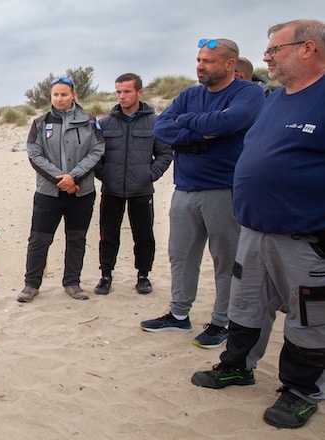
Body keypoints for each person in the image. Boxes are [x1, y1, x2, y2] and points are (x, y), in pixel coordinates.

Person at [191, 19, 325, 429]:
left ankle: (302, 391)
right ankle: (237, 365)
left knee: (308, 318)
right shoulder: (276, 98)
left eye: (274, 50)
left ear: (308, 49)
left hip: (304, 237)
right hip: (253, 230)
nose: (266, 57)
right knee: (246, 305)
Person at [140, 39, 265, 349]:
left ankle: (222, 322)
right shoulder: (189, 95)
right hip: (184, 189)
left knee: (226, 261)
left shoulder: (247, 92)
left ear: (229, 65)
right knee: (180, 256)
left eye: (208, 60)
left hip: (224, 189)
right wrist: (200, 132)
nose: (200, 65)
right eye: (198, 59)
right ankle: (178, 314)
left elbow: (232, 121)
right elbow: (161, 128)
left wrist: (187, 125)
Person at [17, 77, 105, 303]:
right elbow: (34, 154)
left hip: (81, 192)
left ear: (74, 95)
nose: (59, 98)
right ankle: (31, 284)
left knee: (76, 239)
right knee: (39, 240)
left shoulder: (89, 121)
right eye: (55, 94)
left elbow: (97, 152)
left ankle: (72, 282)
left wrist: (74, 176)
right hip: (49, 192)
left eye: (64, 94)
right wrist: (61, 179)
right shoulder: (40, 123)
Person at [93, 73, 172, 295]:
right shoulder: (104, 124)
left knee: (144, 235)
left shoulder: (155, 122)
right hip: (112, 190)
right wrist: (105, 175)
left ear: (139, 92)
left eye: (127, 91)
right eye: (118, 91)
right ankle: (105, 275)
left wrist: (150, 175)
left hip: (141, 190)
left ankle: (143, 275)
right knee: (108, 235)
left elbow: (165, 154)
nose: (122, 96)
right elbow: (95, 156)